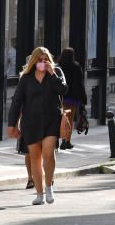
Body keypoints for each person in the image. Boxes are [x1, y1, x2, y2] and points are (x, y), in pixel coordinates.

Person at [7, 47, 68, 205]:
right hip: (31, 122)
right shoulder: (26, 78)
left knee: (48, 152)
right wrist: (12, 124)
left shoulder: (56, 73)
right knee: (35, 157)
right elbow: (17, 101)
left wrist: (51, 73)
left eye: (45, 59)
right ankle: (39, 193)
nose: (42, 63)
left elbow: (63, 89)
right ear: (34, 61)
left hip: (51, 120)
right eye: (39, 60)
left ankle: (49, 187)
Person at [57, 48, 86, 150]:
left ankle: (61, 139)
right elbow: (80, 84)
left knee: (61, 118)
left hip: (62, 97)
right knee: (69, 118)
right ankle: (67, 141)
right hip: (73, 98)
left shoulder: (59, 67)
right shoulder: (76, 67)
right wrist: (83, 98)